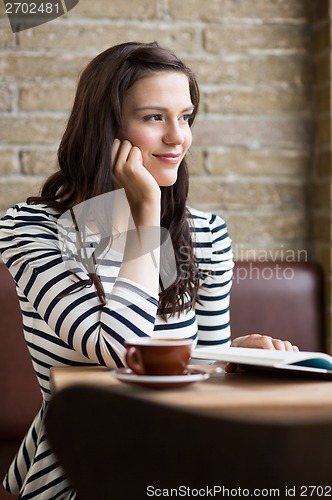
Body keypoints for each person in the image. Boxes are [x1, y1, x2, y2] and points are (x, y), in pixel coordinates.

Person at [0, 41, 298, 499]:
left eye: (186, 116)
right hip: (81, 469)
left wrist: (234, 357)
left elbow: (198, 382)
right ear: (107, 128)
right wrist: (144, 215)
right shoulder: (30, 230)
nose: (178, 137)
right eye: (154, 117)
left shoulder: (206, 233)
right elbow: (121, 351)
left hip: (184, 458)